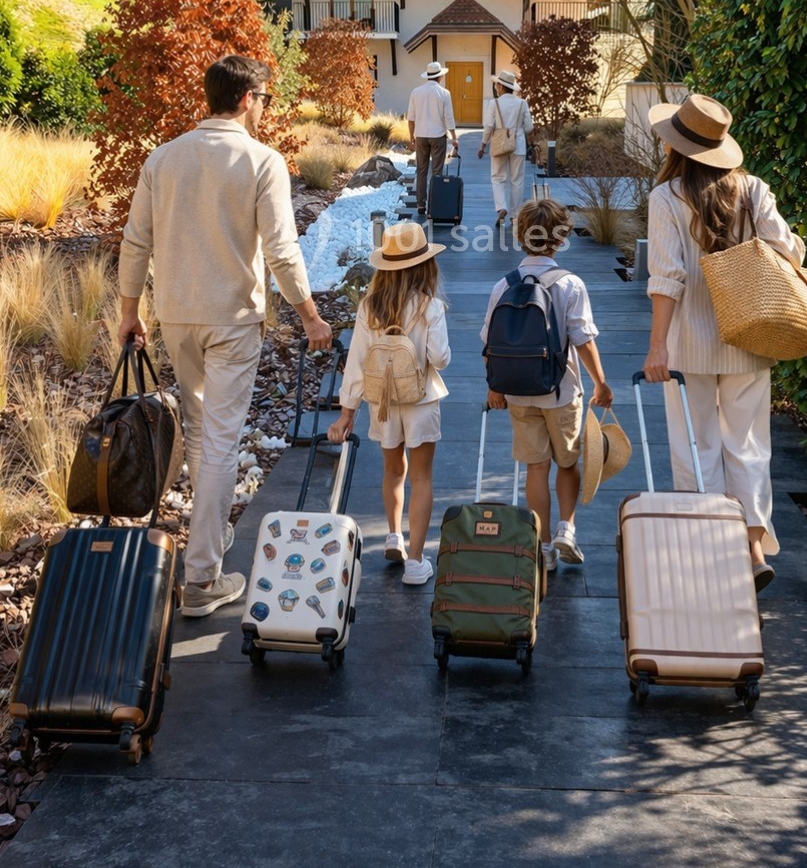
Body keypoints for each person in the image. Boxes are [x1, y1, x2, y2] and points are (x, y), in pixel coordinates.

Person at [118, 55, 333, 617]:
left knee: (199, 433)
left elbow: (135, 243)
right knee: (219, 441)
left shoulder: (162, 159)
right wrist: (309, 315)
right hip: (232, 320)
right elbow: (282, 252)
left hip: (176, 315)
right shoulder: (262, 161)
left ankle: (207, 540)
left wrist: (128, 311)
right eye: (264, 98)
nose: (265, 108)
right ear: (246, 99)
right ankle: (202, 576)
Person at [641, 93, 805, 593]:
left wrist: (656, 347)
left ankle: (707, 546)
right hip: (750, 334)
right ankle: (752, 549)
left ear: (676, 146)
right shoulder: (753, 190)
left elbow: (667, 277)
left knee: (696, 443)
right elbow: (791, 250)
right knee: (748, 445)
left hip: (687, 341)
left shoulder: (667, 199)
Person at [480, 197, 613, 571]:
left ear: (522, 235)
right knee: (567, 463)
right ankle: (566, 529)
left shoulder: (502, 285)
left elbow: (490, 343)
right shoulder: (570, 284)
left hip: (517, 391)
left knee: (536, 468)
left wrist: (493, 388)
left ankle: (541, 548)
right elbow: (583, 340)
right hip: (562, 390)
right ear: (561, 238)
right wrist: (600, 383)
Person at [328, 222, 450, 586]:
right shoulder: (431, 307)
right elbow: (440, 358)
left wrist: (346, 412)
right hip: (420, 400)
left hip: (382, 402)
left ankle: (394, 536)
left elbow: (357, 362)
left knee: (393, 471)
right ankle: (415, 562)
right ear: (424, 265)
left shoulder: (369, 307)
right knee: (422, 477)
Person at [478, 70, 534, 225]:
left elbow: (489, 126)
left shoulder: (493, 103)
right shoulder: (522, 103)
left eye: (497, 84)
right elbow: (529, 128)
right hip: (518, 145)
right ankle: (515, 215)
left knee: (497, 177)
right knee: (517, 180)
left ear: (500, 87)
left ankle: (501, 207)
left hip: (499, 144)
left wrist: (483, 144)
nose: (496, 86)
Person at [407, 61, 459, 215]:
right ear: (440, 77)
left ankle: (421, 205)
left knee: (421, 170)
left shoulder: (416, 92)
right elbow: (448, 118)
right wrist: (454, 138)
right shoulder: (444, 93)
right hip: (438, 136)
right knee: (437, 171)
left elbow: (411, 118)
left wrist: (411, 136)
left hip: (421, 136)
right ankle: (435, 204)